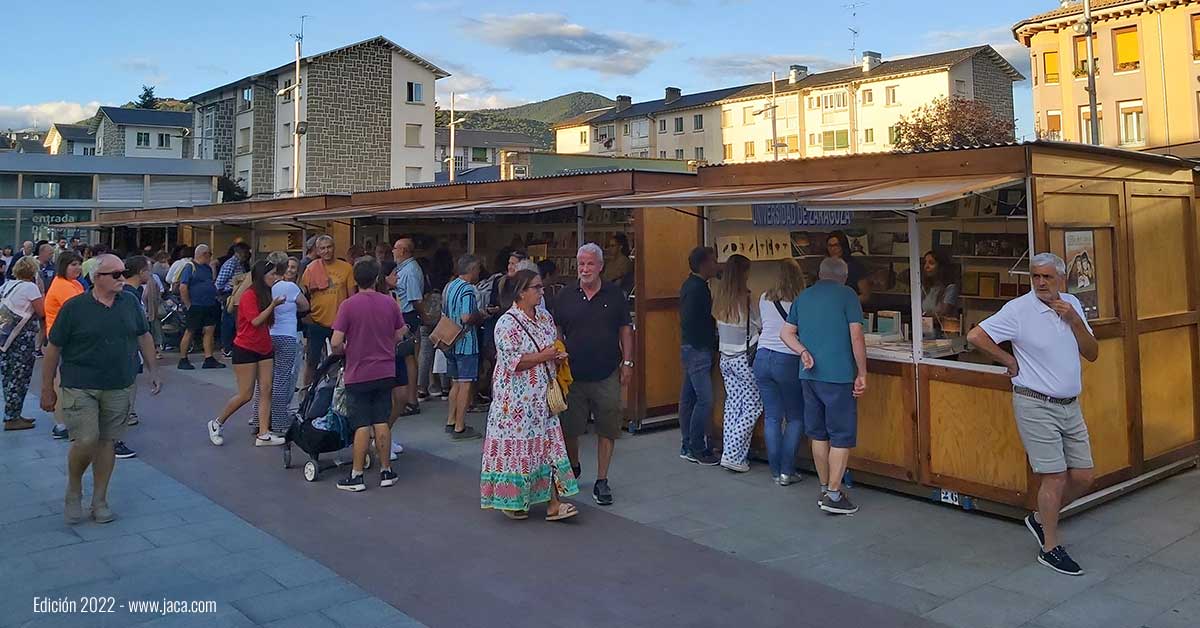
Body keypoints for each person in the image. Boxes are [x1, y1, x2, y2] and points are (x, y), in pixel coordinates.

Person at [967, 253, 1098, 577]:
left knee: (1084, 476)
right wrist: (1008, 361)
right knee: (1054, 476)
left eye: (1047, 277)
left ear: (1061, 280)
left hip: (1070, 404)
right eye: (1035, 276)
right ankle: (1050, 548)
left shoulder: (1072, 304)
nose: (1040, 283)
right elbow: (975, 336)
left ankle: (1040, 518)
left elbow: (1093, 353)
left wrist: (1075, 321)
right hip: (1034, 401)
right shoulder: (1019, 309)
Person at [41, 254, 161, 524]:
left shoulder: (129, 302)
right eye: (116, 274)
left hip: (118, 384)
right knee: (86, 440)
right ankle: (74, 488)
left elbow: (144, 334)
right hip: (79, 384)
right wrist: (47, 387)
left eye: (124, 272)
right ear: (97, 278)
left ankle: (100, 499)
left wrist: (154, 371)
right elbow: (53, 349)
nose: (122, 278)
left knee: (107, 442)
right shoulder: (74, 308)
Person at [481, 269, 579, 521]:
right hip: (514, 402)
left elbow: (550, 346)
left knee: (546, 448)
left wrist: (556, 357)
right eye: (536, 287)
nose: (541, 291)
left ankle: (552, 503)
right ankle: (516, 501)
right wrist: (543, 357)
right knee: (519, 452)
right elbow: (512, 361)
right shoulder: (506, 323)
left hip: (541, 398)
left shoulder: (545, 317)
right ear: (521, 292)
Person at [780, 257, 866, 515]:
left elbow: (786, 333)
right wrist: (862, 372)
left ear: (819, 274)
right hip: (838, 376)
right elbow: (857, 336)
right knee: (840, 435)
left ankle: (824, 486)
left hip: (808, 376)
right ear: (844, 275)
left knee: (818, 433)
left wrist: (803, 352)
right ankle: (834, 495)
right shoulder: (848, 295)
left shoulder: (803, 297)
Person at [554, 243, 633, 506]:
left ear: (600, 266)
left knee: (607, 427)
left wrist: (628, 363)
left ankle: (602, 479)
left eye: (589, 264)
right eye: (581, 264)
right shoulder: (566, 295)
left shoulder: (615, 295)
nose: (585, 269)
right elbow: (557, 329)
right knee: (570, 429)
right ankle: (574, 465)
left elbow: (625, 329)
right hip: (572, 374)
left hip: (607, 371)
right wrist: (557, 355)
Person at [331, 257, 406, 492]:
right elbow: (399, 333)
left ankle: (357, 475)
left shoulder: (348, 305)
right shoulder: (389, 302)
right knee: (381, 420)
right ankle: (386, 471)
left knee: (361, 423)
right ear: (376, 278)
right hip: (385, 369)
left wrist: (345, 350)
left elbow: (336, 342)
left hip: (358, 370)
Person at [207, 260, 285, 447]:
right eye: (272, 274)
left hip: (264, 347)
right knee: (245, 394)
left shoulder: (267, 294)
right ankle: (217, 422)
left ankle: (263, 433)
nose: (275, 278)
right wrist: (273, 306)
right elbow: (256, 321)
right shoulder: (249, 295)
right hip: (246, 348)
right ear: (261, 276)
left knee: (266, 389)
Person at [754, 259, 807, 486]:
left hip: (762, 356)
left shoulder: (764, 297)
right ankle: (787, 471)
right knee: (795, 417)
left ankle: (775, 472)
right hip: (787, 359)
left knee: (773, 417)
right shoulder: (801, 301)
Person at [712, 254, 762, 473]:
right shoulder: (747, 299)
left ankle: (730, 453)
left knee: (733, 404)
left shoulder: (719, 298)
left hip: (725, 358)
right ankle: (733, 453)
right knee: (753, 405)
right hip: (744, 358)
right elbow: (759, 324)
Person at [248, 254, 309, 435]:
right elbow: (305, 305)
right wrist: (291, 309)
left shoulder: (265, 287)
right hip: (287, 335)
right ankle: (279, 421)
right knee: (282, 380)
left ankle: (258, 420)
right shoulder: (289, 287)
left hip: (268, 335)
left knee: (264, 382)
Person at [678, 246, 720, 466]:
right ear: (704, 264)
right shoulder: (698, 289)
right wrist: (709, 341)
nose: (716, 265)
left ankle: (687, 444)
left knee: (688, 398)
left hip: (690, 347)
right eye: (713, 261)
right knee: (705, 399)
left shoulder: (691, 285)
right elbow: (694, 320)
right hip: (697, 348)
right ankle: (697, 446)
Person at [301, 235, 355, 392]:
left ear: (334, 247)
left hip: (340, 323)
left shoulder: (346, 268)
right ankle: (306, 392)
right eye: (322, 248)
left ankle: (341, 391)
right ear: (317, 251)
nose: (326, 251)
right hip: (317, 321)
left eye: (329, 247)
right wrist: (306, 317)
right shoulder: (311, 269)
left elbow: (351, 297)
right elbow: (303, 295)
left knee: (341, 359)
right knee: (311, 361)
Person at [43, 251, 86, 441]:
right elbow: (79, 310)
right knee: (61, 381)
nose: (77, 268)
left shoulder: (73, 283)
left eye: (79, 264)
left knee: (65, 380)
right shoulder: (62, 285)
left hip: (71, 337)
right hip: (63, 339)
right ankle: (61, 424)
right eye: (73, 264)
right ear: (63, 266)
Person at [443, 255, 485, 440]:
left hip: (450, 339)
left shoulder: (450, 286)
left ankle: (451, 420)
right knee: (465, 384)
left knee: (455, 383)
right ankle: (460, 425)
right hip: (466, 341)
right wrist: (481, 314)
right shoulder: (468, 289)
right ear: (472, 269)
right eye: (477, 269)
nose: (478, 273)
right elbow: (467, 317)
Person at [0, 257, 43, 431]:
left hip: (5, 337)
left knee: (8, 375)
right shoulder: (30, 287)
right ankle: (12, 417)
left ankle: (13, 413)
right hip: (21, 339)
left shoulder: (8, 285)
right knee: (20, 376)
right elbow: (41, 311)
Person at [392, 237, 425, 417]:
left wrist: (424, 316)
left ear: (404, 251)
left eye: (395, 248)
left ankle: (411, 400)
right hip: (404, 314)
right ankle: (408, 399)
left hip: (407, 315)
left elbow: (415, 299)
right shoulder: (403, 268)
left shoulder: (410, 271)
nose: (393, 251)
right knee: (406, 356)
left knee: (408, 357)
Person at [178, 244, 225, 370]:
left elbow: (211, 281)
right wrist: (188, 304)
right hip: (196, 305)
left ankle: (208, 358)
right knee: (190, 330)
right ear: (204, 254)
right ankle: (183, 358)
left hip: (209, 303)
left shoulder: (207, 268)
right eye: (209, 254)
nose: (210, 257)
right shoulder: (190, 267)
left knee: (209, 330)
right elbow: (183, 286)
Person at [418, 248, 453, 400]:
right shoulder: (450, 278)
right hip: (444, 318)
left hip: (427, 317)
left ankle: (421, 388)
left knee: (425, 353)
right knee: (444, 351)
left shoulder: (426, 276)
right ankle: (445, 387)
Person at [216, 242, 251, 357]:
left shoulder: (240, 264)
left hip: (238, 294)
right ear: (238, 252)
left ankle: (232, 346)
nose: (247, 254)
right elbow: (219, 283)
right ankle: (227, 347)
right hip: (230, 294)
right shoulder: (231, 264)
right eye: (245, 252)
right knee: (229, 322)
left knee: (235, 321)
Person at [826, 230, 871, 304]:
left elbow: (866, 296)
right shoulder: (826, 267)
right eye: (830, 246)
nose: (833, 249)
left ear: (843, 246)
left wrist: (846, 302)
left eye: (836, 245)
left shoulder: (855, 267)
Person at [920, 249, 960, 321]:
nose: (926, 266)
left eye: (931, 263)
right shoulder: (924, 287)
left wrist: (925, 316)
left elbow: (942, 315)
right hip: (924, 329)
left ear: (941, 267)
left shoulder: (950, 289)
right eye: (924, 263)